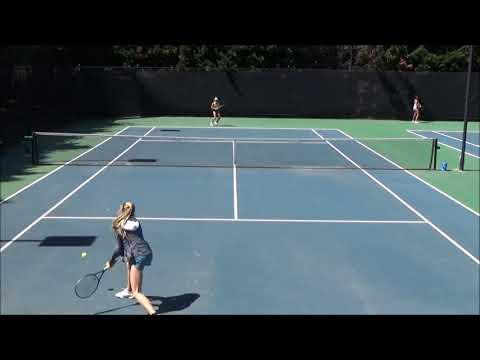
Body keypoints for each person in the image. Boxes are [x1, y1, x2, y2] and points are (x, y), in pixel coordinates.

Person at [105, 201, 156, 315]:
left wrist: (111, 261)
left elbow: (119, 249)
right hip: (147, 252)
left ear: (121, 210)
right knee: (129, 261)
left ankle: (152, 312)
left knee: (137, 292)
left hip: (137, 255)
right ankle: (129, 290)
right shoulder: (136, 222)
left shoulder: (119, 225)